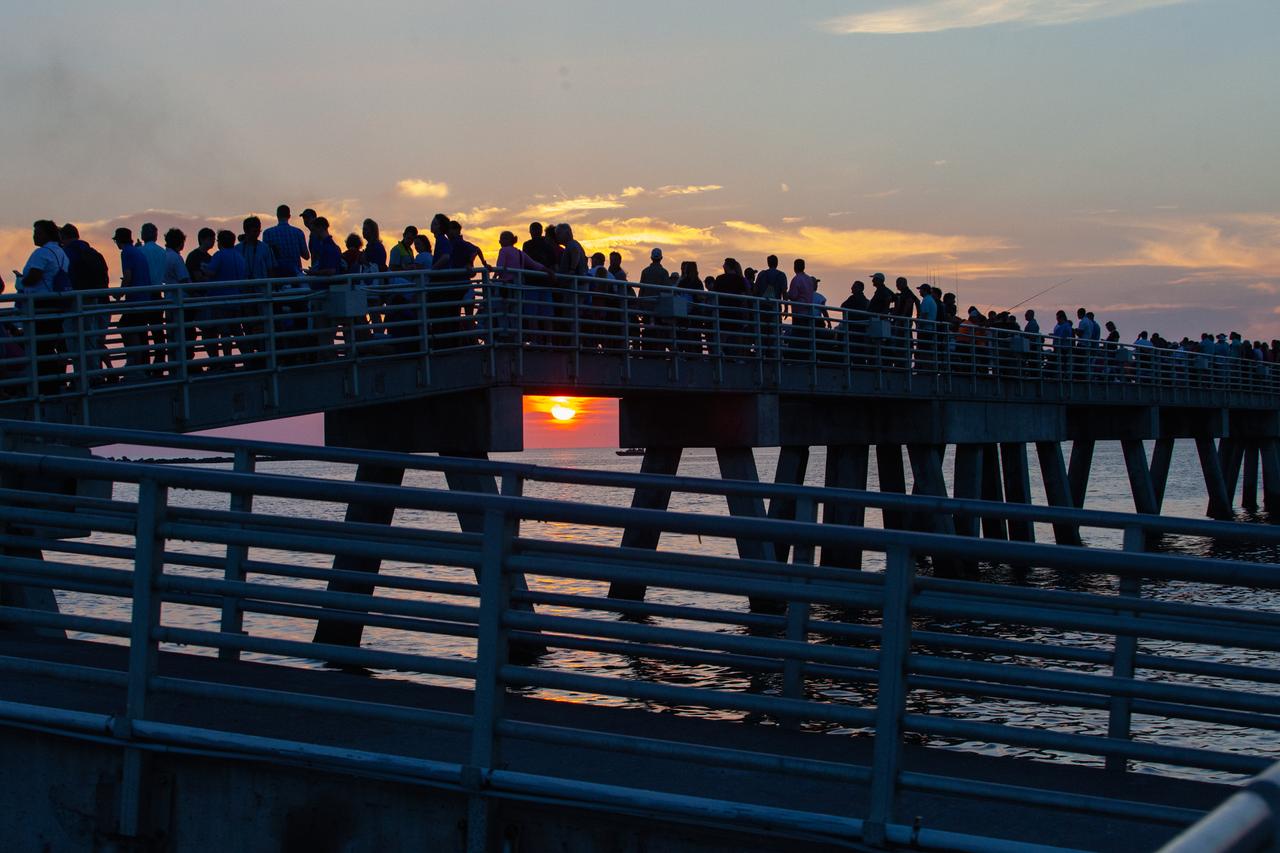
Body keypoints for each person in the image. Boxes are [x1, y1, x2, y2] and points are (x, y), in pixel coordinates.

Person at [17, 220, 72, 392]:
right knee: (50, 344)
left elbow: (34, 276)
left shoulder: (41, 253)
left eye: (37, 232)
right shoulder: (61, 252)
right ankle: (54, 382)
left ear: (46, 234)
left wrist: (21, 280)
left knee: (39, 347)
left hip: (39, 305)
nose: (34, 235)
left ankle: (44, 385)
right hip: (56, 303)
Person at [60, 223, 111, 376]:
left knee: (76, 343)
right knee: (93, 341)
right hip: (99, 302)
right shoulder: (94, 252)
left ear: (63, 237)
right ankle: (96, 375)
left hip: (77, 303)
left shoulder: (67, 253)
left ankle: (82, 378)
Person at [263, 204, 310, 278]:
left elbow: (266, 257)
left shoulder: (268, 233)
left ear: (277, 216)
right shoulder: (298, 232)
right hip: (295, 275)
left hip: (277, 276)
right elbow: (306, 256)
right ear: (289, 216)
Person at [637, 248, 669, 352]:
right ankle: (659, 352)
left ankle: (647, 351)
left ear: (651, 258)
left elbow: (641, 290)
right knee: (660, 332)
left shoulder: (645, 271)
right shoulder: (664, 273)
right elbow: (666, 291)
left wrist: (639, 304)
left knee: (647, 331)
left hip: (646, 306)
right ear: (661, 258)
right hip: (659, 307)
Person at [787, 258, 817, 354]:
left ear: (794, 267)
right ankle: (805, 357)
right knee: (806, 337)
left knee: (797, 336)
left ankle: (797, 357)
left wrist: (786, 294)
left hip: (798, 312)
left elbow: (793, 295)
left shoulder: (796, 279)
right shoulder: (809, 279)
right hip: (808, 312)